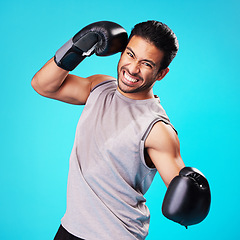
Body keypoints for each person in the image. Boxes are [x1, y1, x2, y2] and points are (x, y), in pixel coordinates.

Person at [31, 20, 210, 240]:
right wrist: (77, 47)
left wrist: (192, 196)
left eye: (146, 64)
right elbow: (42, 85)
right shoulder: (99, 87)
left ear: (161, 73)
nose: (132, 69)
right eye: (130, 54)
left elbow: (180, 184)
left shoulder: (157, 129)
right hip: (71, 228)